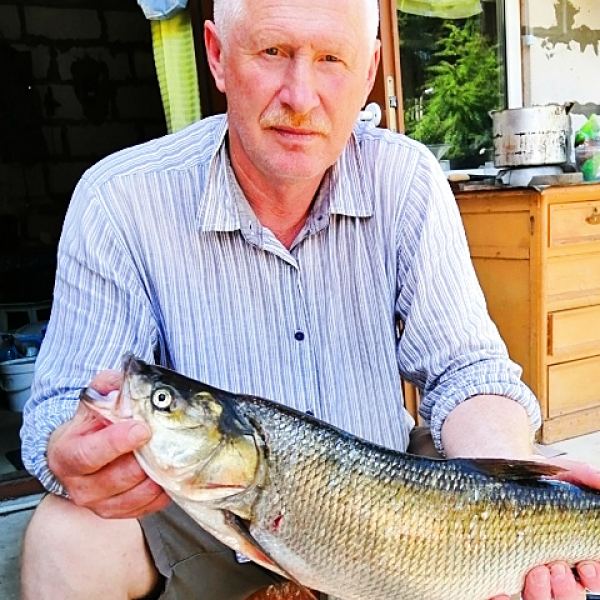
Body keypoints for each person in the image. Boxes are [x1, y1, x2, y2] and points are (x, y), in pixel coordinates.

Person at [19, 1, 600, 599]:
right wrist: (74, 452)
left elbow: (466, 369)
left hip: (390, 519)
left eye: (331, 60)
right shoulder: (120, 200)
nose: (300, 96)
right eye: (272, 52)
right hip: (213, 519)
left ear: (369, 70)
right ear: (217, 57)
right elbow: (60, 407)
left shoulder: (405, 178)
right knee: (65, 538)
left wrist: (507, 497)